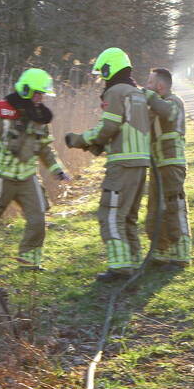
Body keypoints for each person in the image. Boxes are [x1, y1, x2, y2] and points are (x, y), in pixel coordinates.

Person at [0, 68, 69, 271]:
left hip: (27, 178)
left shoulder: (40, 117)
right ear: (26, 90)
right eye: (38, 93)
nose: (41, 98)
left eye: (43, 94)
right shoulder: (2, 112)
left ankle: (29, 264)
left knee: (37, 220)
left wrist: (57, 170)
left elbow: (45, 148)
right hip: (0, 178)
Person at [65, 48, 151, 282]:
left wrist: (80, 140)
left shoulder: (115, 91)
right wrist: (97, 145)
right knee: (128, 215)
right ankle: (133, 261)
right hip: (141, 162)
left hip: (122, 163)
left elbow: (109, 127)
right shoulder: (137, 92)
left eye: (102, 72)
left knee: (110, 214)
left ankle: (120, 266)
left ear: (109, 68)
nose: (101, 78)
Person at [144, 68, 190, 266]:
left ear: (160, 86)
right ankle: (160, 251)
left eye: (150, 82)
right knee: (155, 208)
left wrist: (147, 96)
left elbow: (168, 113)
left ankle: (181, 253)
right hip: (157, 165)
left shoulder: (173, 102)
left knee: (174, 206)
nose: (146, 85)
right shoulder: (155, 107)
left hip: (172, 164)